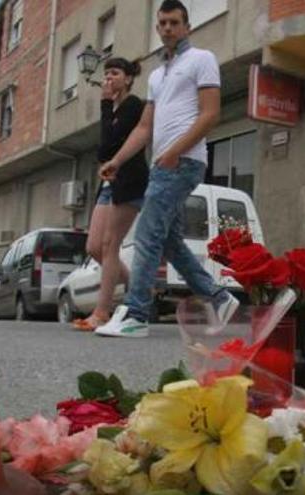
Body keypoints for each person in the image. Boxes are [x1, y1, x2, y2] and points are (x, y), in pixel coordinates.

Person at [94, 0, 238, 338]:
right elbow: (144, 128)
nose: (168, 28)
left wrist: (174, 152)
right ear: (157, 28)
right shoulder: (157, 75)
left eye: (174, 22)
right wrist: (117, 160)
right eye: (162, 23)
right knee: (169, 242)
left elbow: (210, 113)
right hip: (164, 163)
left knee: (146, 234)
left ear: (187, 26)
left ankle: (136, 314)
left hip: (184, 161)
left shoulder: (202, 59)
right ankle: (219, 299)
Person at [72, 57, 149, 332]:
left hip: (129, 180)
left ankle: (102, 312)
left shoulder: (131, 105)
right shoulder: (116, 108)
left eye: (115, 73)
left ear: (128, 79)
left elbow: (106, 148)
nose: (109, 78)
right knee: (94, 247)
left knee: (109, 245)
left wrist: (105, 104)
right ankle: (138, 289)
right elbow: (105, 148)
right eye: (106, 74)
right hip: (108, 185)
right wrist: (108, 107)